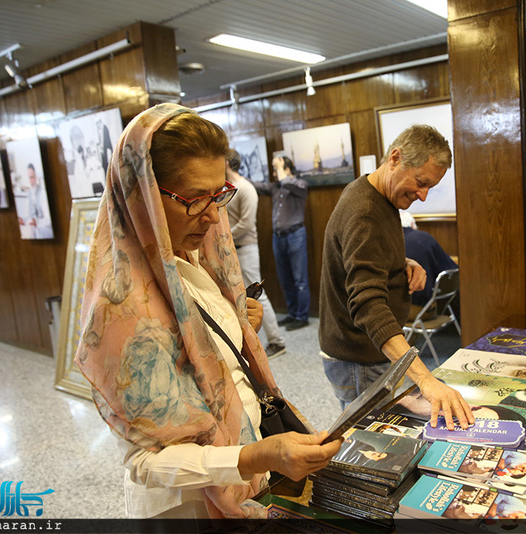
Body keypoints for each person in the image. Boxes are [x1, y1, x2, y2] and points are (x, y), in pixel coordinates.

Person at [74, 103, 341, 520]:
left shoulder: (198, 259)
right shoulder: (121, 305)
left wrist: (236, 328)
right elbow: (146, 462)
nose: (214, 215)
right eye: (195, 199)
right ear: (142, 196)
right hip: (188, 506)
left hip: (245, 476)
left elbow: (211, 357)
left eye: (219, 194)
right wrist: (253, 456)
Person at [319, 124, 474, 430]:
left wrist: (402, 261)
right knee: (370, 444)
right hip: (359, 357)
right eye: (420, 182)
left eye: (431, 187)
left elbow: (358, 255)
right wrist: (426, 379)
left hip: (368, 352)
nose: (423, 196)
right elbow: (368, 305)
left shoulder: (377, 196)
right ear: (395, 157)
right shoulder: (364, 211)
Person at [225, 150, 287, 358]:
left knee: (258, 295)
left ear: (226, 163)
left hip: (245, 249)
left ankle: (277, 342)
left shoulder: (245, 188)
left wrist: (222, 238)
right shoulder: (226, 188)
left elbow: (246, 224)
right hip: (231, 249)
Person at [253, 153, 310, 330]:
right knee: (285, 279)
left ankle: (302, 317)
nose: (275, 173)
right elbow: (255, 186)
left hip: (296, 236)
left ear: (286, 169)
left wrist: (280, 169)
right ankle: (292, 313)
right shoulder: (275, 187)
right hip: (278, 238)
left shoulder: (300, 184)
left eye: (277, 168)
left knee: (300, 280)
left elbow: (289, 183)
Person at [399, 210, 458, 314]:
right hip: (422, 310)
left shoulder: (390, 242)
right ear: (413, 225)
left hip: (394, 308)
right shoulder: (424, 238)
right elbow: (452, 269)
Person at [21, 163, 54, 239]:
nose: (30, 180)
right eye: (28, 178)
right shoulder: (28, 195)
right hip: (32, 228)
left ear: (35, 177)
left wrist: (37, 222)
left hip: (44, 228)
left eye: (32, 177)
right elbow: (27, 215)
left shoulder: (42, 193)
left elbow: (49, 219)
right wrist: (23, 220)